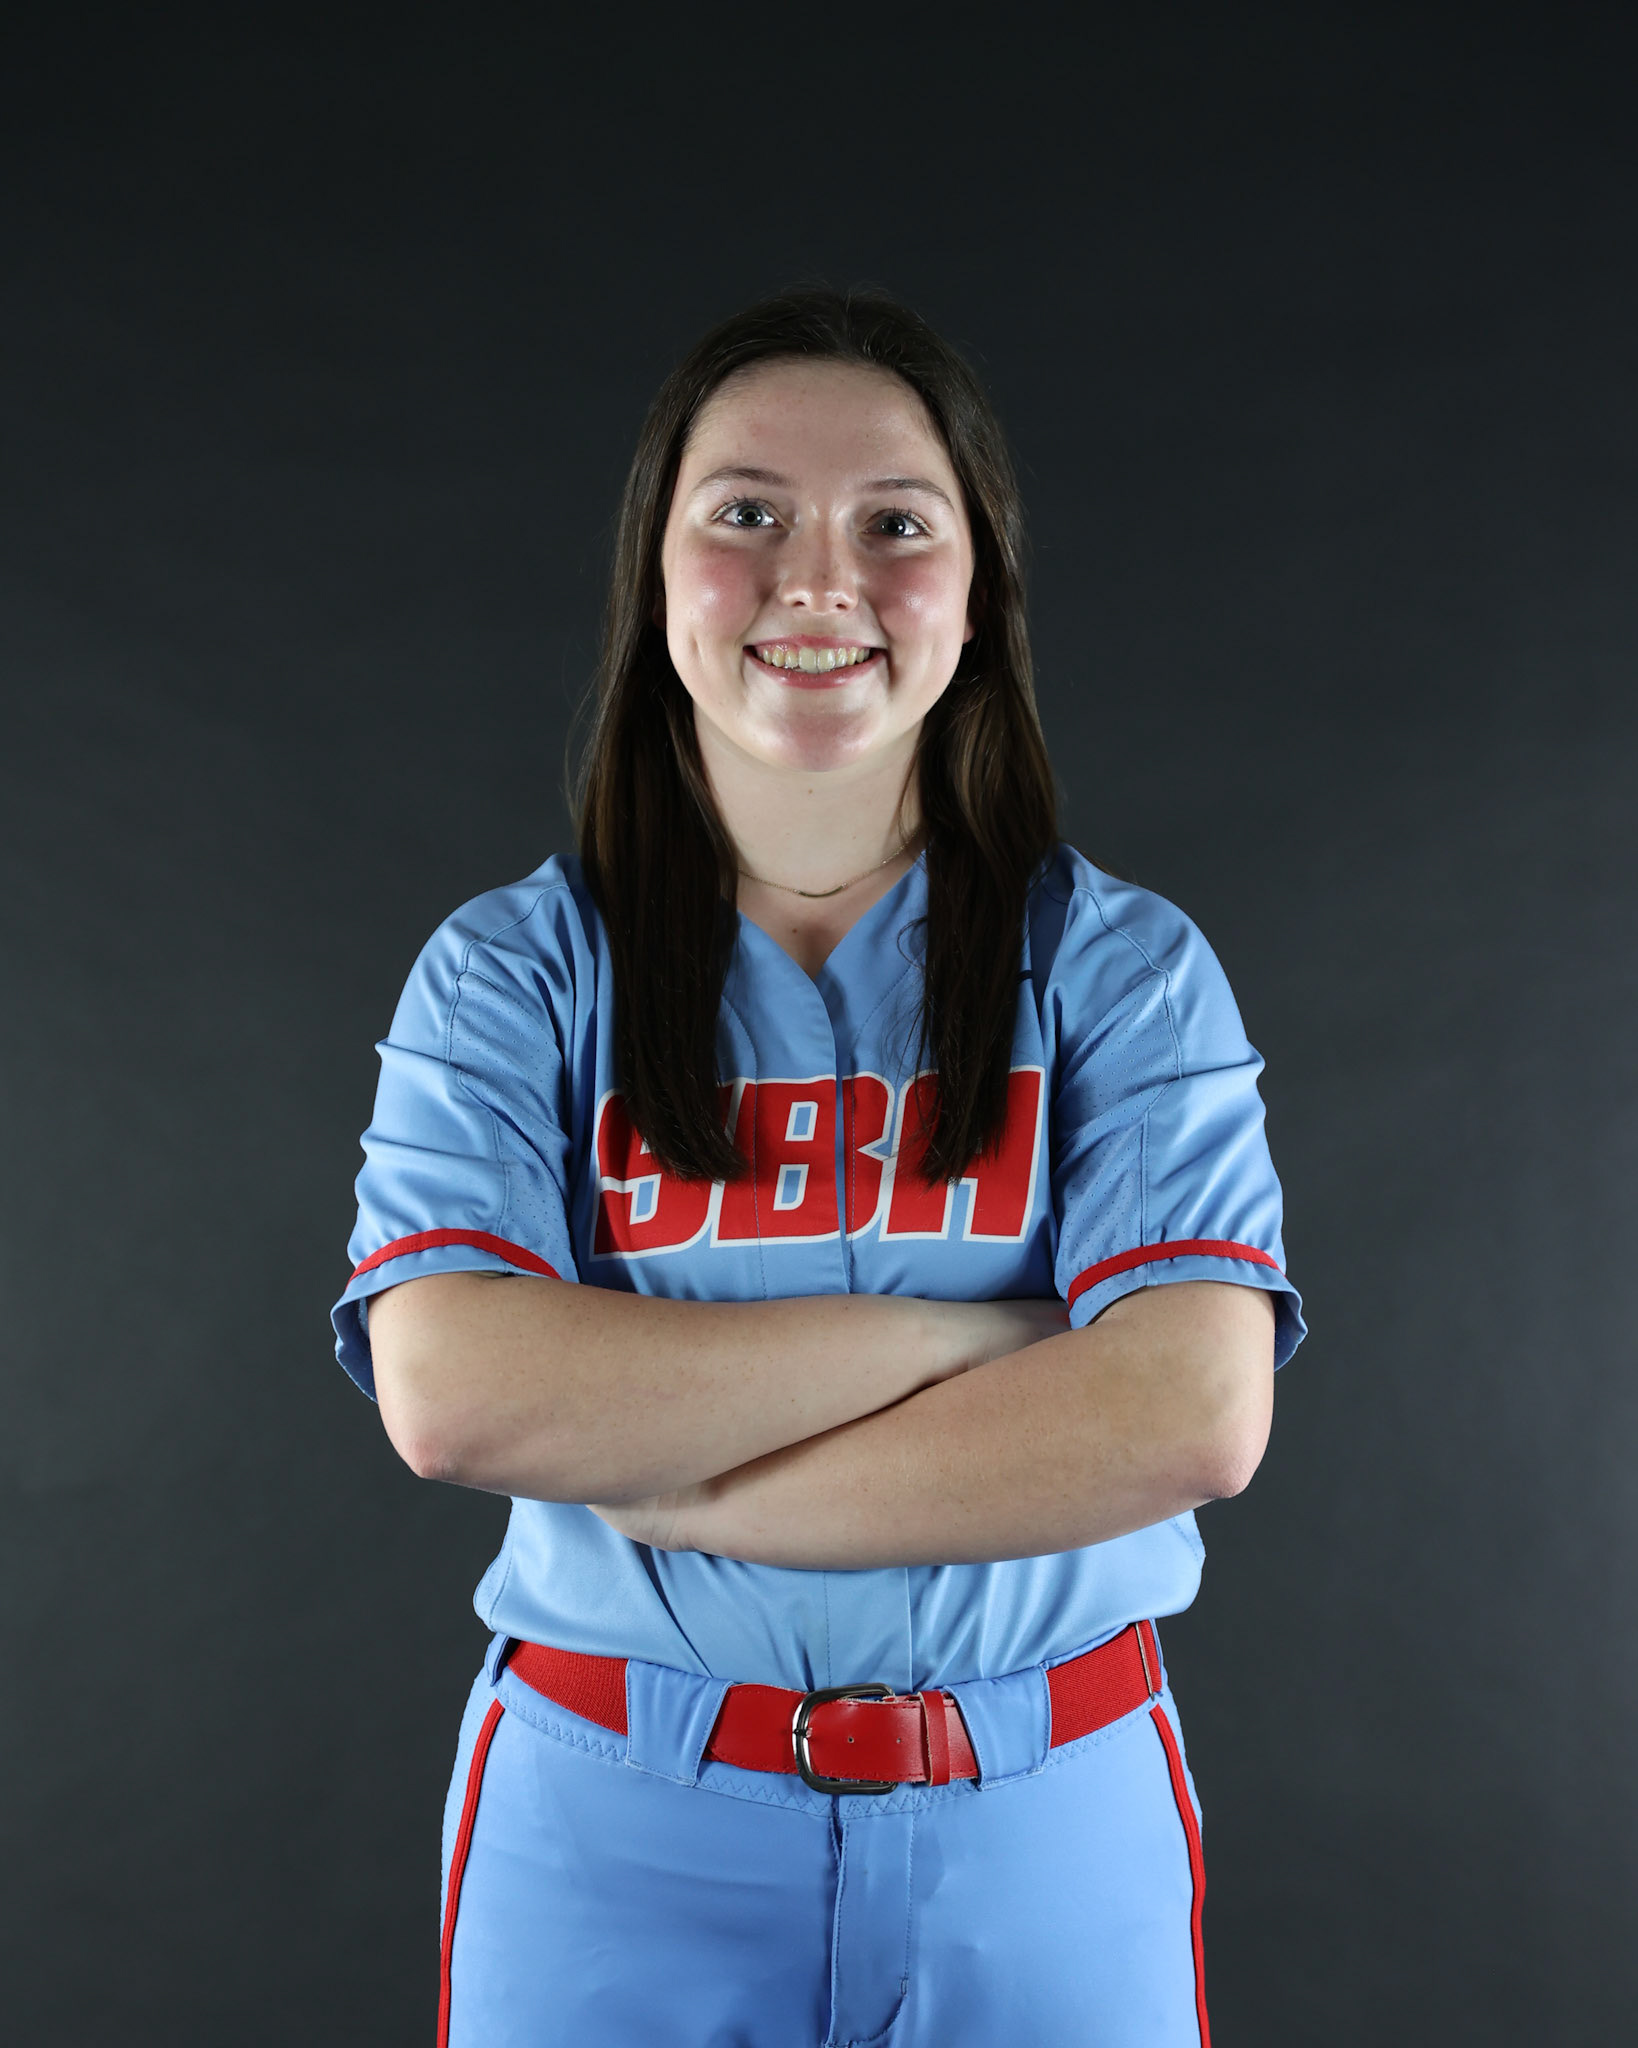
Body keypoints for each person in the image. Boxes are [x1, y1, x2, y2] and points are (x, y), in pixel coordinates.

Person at [332, 286, 1304, 2048]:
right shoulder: (511, 972)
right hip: (617, 1816)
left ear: (977, 600)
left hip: (1049, 1801)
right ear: (656, 574)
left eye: (895, 524)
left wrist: (677, 1478)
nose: (818, 579)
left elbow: (1189, 1418)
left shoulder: (1120, 968)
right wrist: (977, 1337)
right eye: (747, 513)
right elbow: (460, 1395)